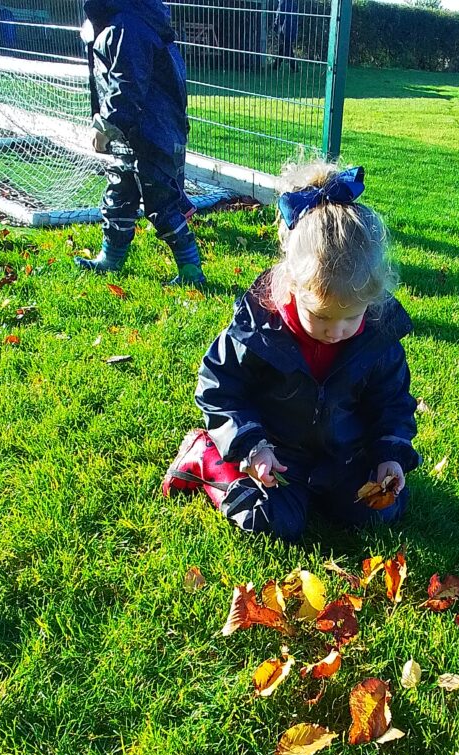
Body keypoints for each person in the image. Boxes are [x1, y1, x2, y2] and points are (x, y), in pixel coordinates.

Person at [162, 161, 420, 542]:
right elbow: (220, 388)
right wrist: (251, 446)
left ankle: (335, 489)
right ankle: (208, 458)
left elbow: (391, 402)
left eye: (351, 317)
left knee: (379, 514)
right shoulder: (258, 330)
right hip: (276, 456)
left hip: (343, 456)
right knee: (272, 523)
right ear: (291, 287)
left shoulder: (377, 339)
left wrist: (389, 454)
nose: (336, 332)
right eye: (321, 317)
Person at [75, 0, 205, 286]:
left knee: (162, 204)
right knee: (119, 196)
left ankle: (191, 269)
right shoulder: (119, 20)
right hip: (134, 132)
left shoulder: (129, 25)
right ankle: (111, 258)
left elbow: (127, 82)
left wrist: (107, 126)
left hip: (152, 134)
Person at [273, 0, 298, 69]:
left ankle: (294, 67)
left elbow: (280, 17)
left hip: (284, 28)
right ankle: (276, 65)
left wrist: (276, 26)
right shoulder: (293, 3)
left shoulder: (283, 4)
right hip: (291, 28)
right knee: (284, 46)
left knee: (286, 47)